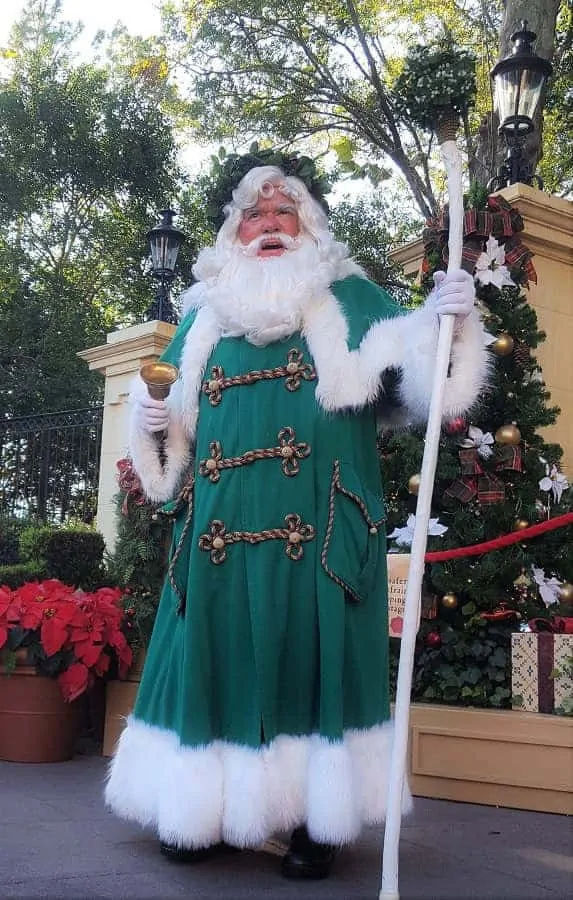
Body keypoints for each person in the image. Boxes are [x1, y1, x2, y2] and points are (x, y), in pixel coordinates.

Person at [105, 160, 488, 880]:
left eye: (285, 210)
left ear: (309, 225)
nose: (270, 221)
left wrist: (449, 324)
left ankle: (319, 819)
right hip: (216, 537)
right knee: (212, 659)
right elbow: (165, 439)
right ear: (233, 231)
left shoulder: (350, 297)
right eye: (254, 212)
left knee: (314, 661)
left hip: (317, 533)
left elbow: (422, 393)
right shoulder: (201, 315)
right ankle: (201, 810)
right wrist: (154, 418)